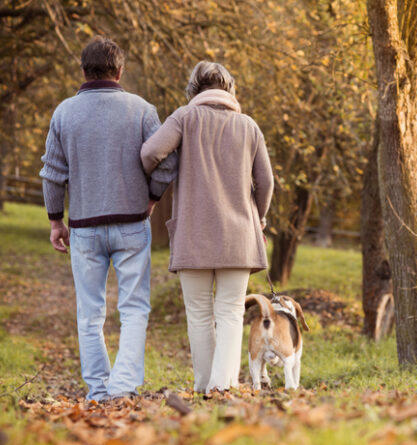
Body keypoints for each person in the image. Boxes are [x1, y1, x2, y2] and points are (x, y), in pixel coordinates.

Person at [39, 36, 178, 402]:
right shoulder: (143, 110)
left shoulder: (64, 113)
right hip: (132, 223)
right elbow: (168, 162)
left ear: (83, 71)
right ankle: (123, 387)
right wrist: (151, 197)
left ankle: (98, 391)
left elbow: (52, 173)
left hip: (84, 227)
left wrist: (56, 220)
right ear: (120, 71)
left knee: (89, 315)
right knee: (134, 310)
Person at [141, 61, 273, 394]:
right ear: (229, 89)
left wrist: (157, 176)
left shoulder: (184, 117)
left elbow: (151, 152)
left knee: (199, 314)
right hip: (239, 236)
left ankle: (205, 385)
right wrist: (259, 216)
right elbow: (266, 181)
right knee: (230, 313)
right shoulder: (248, 126)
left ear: (193, 90)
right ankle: (222, 386)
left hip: (194, 234)